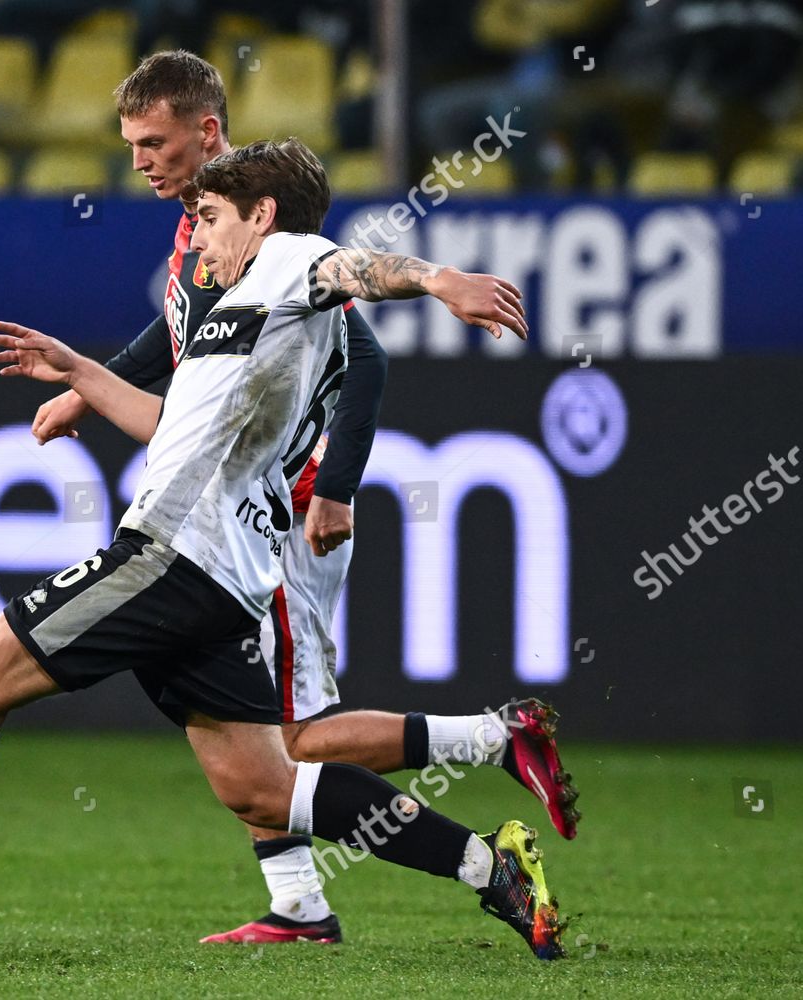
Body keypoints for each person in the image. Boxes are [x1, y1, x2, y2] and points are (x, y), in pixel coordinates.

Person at [0, 137, 565, 961]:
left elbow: (353, 268)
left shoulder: (288, 260)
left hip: (176, 552)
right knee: (266, 787)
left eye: (210, 218)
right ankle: (487, 865)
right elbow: (167, 426)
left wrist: (437, 280)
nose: (198, 238)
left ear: (263, 216)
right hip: (227, 580)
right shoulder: (248, 316)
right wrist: (79, 371)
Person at [30, 50, 577, 944]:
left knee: (290, 740)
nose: (139, 161)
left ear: (207, 133)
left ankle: (493, 748)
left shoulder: (272, 240)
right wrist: (86, 386)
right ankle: (301, 905)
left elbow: (364, 354)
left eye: (153, 142)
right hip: (241, 514)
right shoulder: (202, 234)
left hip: (276, 508)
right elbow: (179, 338)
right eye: (130, 143)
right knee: (252, 731)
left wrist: (339, 487)